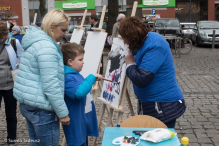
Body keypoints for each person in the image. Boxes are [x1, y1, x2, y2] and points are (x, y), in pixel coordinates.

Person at [13, 9, 70, 146]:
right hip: (42, 109)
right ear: (52, 27)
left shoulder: (36, 42)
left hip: (30, 104)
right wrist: (63, 113)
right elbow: (50, 85)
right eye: (63, 30)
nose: (64, 34)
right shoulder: (47, 47)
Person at [118, 17, 186, 128]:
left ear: (134, 37)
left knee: (160, 141)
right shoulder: (145, 40)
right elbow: (140, 51)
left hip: (162, 104)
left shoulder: (155, 46)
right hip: (151, 103)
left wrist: (130, 64)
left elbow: (142, 79)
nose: (124, 42)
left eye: (126, 39)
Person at [61, 43, 102, 146]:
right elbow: (78, 93)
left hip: (82, 120)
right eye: (80, 60)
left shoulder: (75, 74)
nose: (83, 62)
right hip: (75, 122)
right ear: (70, 62)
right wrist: (91, 77)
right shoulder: (67, 77)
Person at [0, 22, 22, 144]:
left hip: (10, 85)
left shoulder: (14, 42)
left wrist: (18, 67)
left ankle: (11, 139)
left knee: (11, 115)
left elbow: (21, 57)